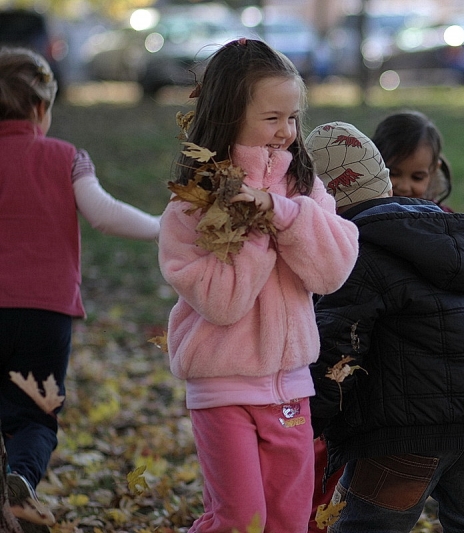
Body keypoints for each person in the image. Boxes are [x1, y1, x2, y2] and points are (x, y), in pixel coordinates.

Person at [157, 40, 359, 533]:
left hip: (291, 382)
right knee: (240, 520)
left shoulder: (305, 190)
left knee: (290, 520)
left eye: (293, 118)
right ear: (228, 116)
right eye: (272, 118)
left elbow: (331, 272)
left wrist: (283, 212)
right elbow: (223, 304)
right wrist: (252, 226)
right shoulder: (191, 207)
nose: (287, 132)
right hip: (222, 386)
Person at [307, 121, 464, 533]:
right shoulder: (454, 236)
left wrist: (310, 424)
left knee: (367, 525)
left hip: (404, 434)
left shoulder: (356, 252)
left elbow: (338, 351)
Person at [0, 47, 161, 533]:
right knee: (33, 417)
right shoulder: (65, 157)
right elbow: (104, 214)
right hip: (42, 314)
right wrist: (160, 226)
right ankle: (21, 477)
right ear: (41, 109)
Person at [372, 110, 464, 301]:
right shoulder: (356, 216)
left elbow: (463, 270)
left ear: (433, 171)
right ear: (373, 163)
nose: (404, 186)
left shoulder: (443, 221)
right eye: (393, 173)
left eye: (417, 177)